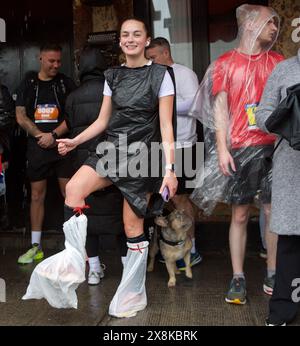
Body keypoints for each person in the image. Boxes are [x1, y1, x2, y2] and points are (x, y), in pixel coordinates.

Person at [23, 18, 177, 317]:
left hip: (144, 153)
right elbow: (102, 121)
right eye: (125, 35)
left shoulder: (161, 74)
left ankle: (133, 292)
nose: (130, 39)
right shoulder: (112, 75)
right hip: (112, 147)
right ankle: (74, 262)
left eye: (136, 34)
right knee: (74, 191)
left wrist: (170, 169)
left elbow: (167, 125)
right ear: (120, 42)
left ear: (146, 41)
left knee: (132, 226)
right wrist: (73, 140)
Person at [190, 4, 284, 305]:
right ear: (250, 25)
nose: (273, 29)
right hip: (241, 148)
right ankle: (238, 275)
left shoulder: (278, 61)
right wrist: (220, 147)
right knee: (240, 213)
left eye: (275, 24)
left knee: (272, 212)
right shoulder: (225, 64)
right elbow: (219, 108)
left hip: (275, 148)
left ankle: (273, 271)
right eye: (268, 23)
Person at [65, 45, 124, 285]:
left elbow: (70, 125)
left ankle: (95, 271)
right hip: (111, 163)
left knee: (87, 222)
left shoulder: (72, 97)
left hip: (83, 165)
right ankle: (126, 269)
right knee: (120, 220)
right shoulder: (113, 92)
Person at [15, 43, 76, 264]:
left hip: (62, 146)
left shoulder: (65, 83)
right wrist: (41, 135)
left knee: (70, 195)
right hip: (38, 147)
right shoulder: (29, 83)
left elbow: (73, 115)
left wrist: (53, 134)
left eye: (59, 61)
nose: (56, 65)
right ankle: (36, 246)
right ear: (40, 58)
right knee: (37, 195)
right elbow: (20, 116)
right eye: (51, 61)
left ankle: (76, 247)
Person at [145, 37, 202, 269]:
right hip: (159, 146)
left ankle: (192, 248)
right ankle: (169, 246)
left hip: (185, 146)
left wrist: (164, 103)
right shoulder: (151, 75)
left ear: (166, 53)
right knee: (158, 196)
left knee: (181, 199)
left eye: (153, 57)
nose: (150, 62)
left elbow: (195, 105)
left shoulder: (184, 74)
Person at [256, 48, 300, 326]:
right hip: (292, 168)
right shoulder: (284, 69)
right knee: (291, 243)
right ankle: (282, 312)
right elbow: (262, 114)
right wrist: (286, 118)